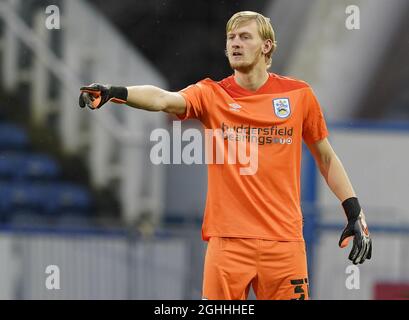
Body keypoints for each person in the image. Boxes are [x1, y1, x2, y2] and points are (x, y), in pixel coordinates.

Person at [78, 11, 372, 300]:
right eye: (231, 37)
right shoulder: (211, 94)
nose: (235, 43)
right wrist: (115, 92)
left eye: (245, 37)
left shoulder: (299, 95)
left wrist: (353, 210)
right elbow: (163, 99)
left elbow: (327, 159)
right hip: (228, 246)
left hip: (284, 244)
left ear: (266, 46)